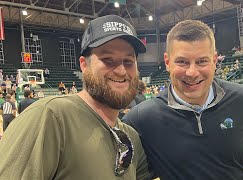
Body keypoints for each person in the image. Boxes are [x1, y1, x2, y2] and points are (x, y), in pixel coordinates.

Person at [123, 20, 243, 180]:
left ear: (214, 60)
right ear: (167, 62)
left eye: (202, 61)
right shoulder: (142, 118)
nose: (192, 72)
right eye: (182, 62)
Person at [0, 15, 152, 180]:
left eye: (129, 61)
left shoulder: (131, 137)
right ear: (84, 65)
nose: (121, 71)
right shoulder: (49, 117)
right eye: (108, 60)